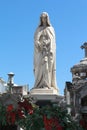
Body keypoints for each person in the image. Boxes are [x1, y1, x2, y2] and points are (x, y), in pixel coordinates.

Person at [34, 12, 57, 89]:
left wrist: (48, 46)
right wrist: (38, 44)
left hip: (48, 52)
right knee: (39, 68)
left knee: (47, 68)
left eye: (44, 17)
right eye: (42, 18)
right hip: (40, 52)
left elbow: (53, 41)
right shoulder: (38, 29)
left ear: (47, 18)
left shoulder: (51, 29)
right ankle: (39, 84)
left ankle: (47, 84)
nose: (43, 19)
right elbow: (35, 40)